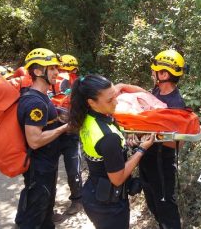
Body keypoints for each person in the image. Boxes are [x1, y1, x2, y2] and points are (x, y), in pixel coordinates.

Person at [69, 74, 155, 229]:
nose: (116, 102)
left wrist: (126, 143)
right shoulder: (108, 137)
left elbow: (105, 153)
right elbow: (118, 178)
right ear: (91, 102)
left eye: (115, 96)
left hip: (95, 193)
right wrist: (142, 149)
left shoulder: (87, 118)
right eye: (110, 100)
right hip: (109, 206)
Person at [15, 48, 69, 229]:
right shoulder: (35, 102)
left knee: (46, 211)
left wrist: (59, 118)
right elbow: (35, 140)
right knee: (35, 214)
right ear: (38, 71)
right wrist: (65, 128)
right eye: (51, 68)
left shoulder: (41, 97)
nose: (57, 72)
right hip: (40, 168)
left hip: (47, 165)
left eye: (56, 68)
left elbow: (45, 123)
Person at [138, 49, 187, 229]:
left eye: (155, 71)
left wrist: (151, 137)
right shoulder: (157, 91)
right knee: (153, 203)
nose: (152, 73)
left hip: (161, 164)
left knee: (166, 207)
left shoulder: (176, 105)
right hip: (146, 158)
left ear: (165, 73)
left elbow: (178, 142)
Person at [52, 54, 82, 220]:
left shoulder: (79, 84)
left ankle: (77, 200)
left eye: (66, 69)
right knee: (51, 171)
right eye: (60, 69)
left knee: (73, 168)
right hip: (52, 133)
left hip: (71, 133)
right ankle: (48, 207)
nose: (62, 72)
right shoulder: (51, 82)